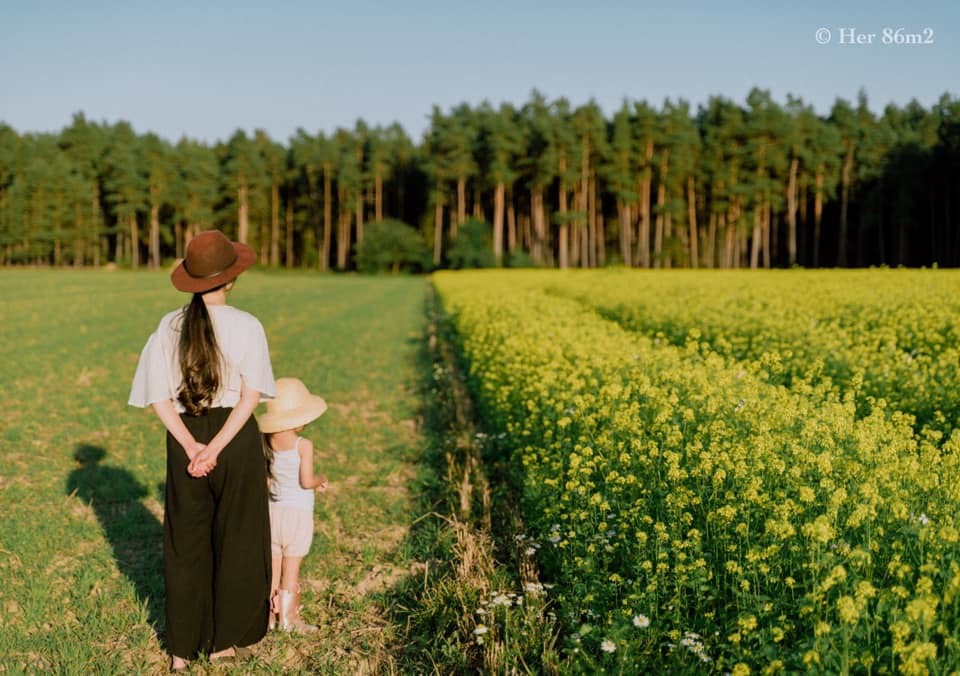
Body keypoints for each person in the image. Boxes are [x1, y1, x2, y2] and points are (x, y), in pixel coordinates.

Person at [128, 229, 276, 671]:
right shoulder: (248, 326)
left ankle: (180, 651)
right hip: (233, 438)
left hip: (184, 438)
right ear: (231, 279)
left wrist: (193, 445)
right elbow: (251, 397)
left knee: (186, 543)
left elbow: (157, 397)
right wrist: (216, 447)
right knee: (237, 538)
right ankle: (224, 643)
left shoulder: (169, 326)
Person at [257, 377, 329, 632]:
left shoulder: (268, 442)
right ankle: (288, 620)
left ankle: (265, 618)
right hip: (297, 515)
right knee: (291, 569)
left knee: (273, 570)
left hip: (273, 512)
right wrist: (321, 479)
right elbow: (306, 480)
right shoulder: (303, 445)